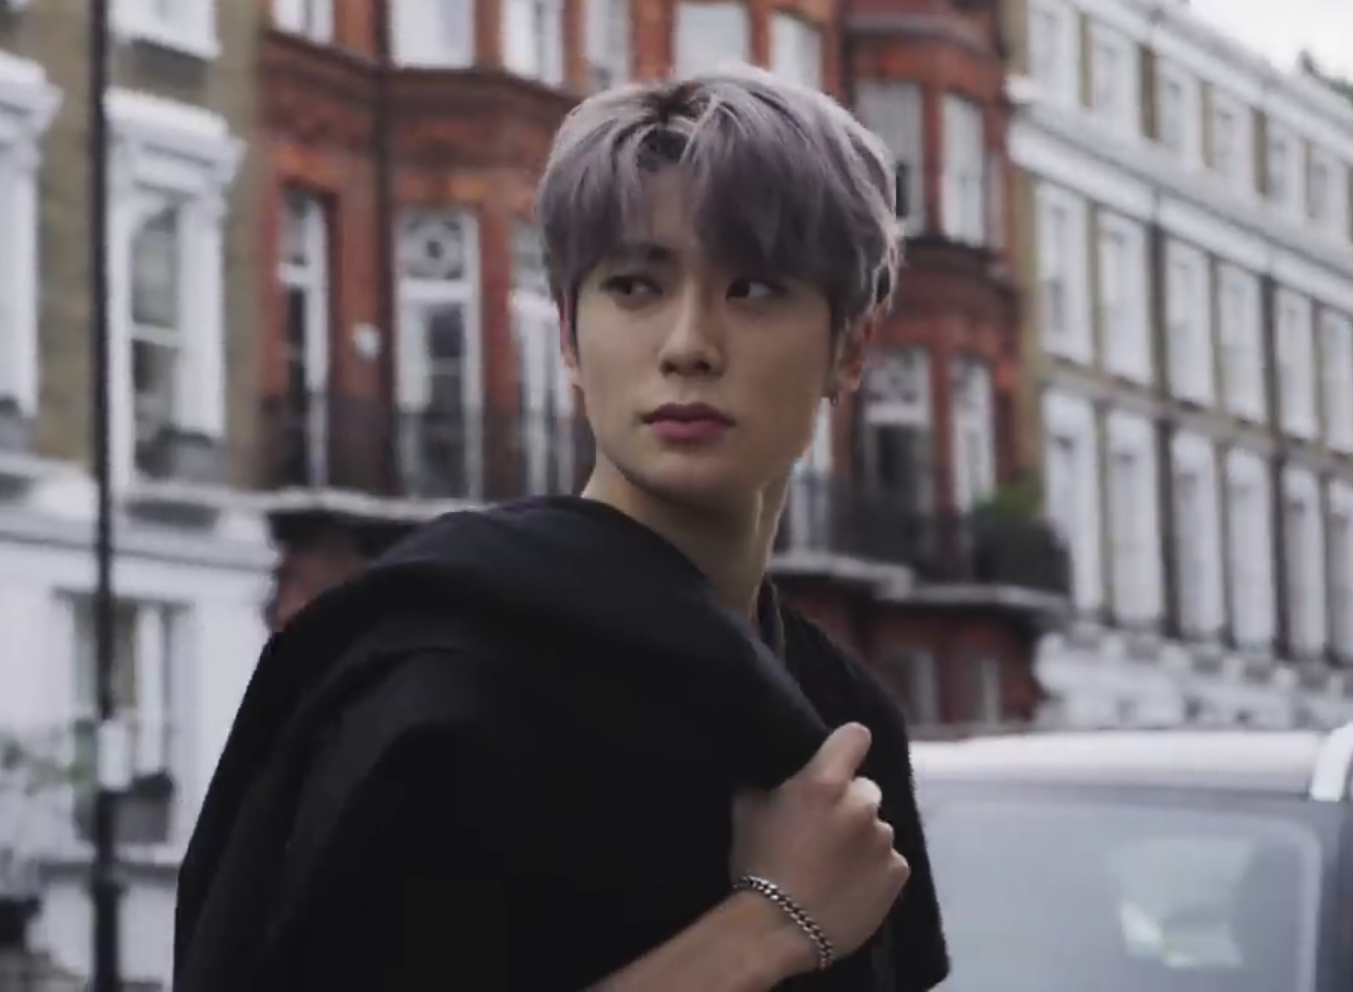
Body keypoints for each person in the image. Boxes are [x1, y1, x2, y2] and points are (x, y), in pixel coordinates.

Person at [174, 66, 949, 992]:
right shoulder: (442, 688)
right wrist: (767, 926)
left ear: (850, 346)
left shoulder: (843, 720)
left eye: (753, 288)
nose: (689, 344)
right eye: (635, 285)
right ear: (572, 341)